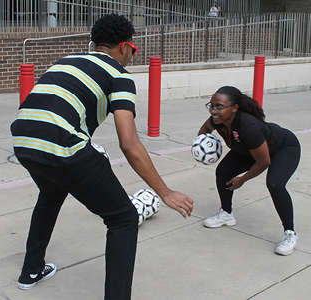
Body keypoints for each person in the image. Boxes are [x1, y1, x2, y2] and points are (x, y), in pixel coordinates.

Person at [10, 14, 193, 298]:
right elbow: (129, 143)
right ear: (123, 47)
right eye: (133, 49)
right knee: (124, 219)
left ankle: (31, 270)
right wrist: (164, 191)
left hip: (23, 142)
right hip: (63, 147)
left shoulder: (66, 61)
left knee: (51, 194)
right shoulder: (119, 75)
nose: (133, 55)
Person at [197, 86, 302, 256]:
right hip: (249, 149)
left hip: (282, 148)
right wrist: (201, 147)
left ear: (234, 108)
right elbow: (204, 132)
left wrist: (242, 179)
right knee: (223, 171)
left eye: (219, 106)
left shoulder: (249, 127)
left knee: (275, 184)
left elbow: (263, 162)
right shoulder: (217, 120)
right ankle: (226, 213)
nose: (214, 110)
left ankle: (290, 233)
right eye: (211, 105)